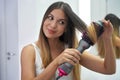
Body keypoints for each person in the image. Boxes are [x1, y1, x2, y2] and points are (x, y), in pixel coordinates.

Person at [21, 1, 116, 80]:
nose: (53, 25)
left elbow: (109, 69)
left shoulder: (72, 51)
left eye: (61, 22)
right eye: (50, 18)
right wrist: (56, 62)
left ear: (66, 28)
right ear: (44, 19)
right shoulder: (30, 51)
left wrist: (107, 39)